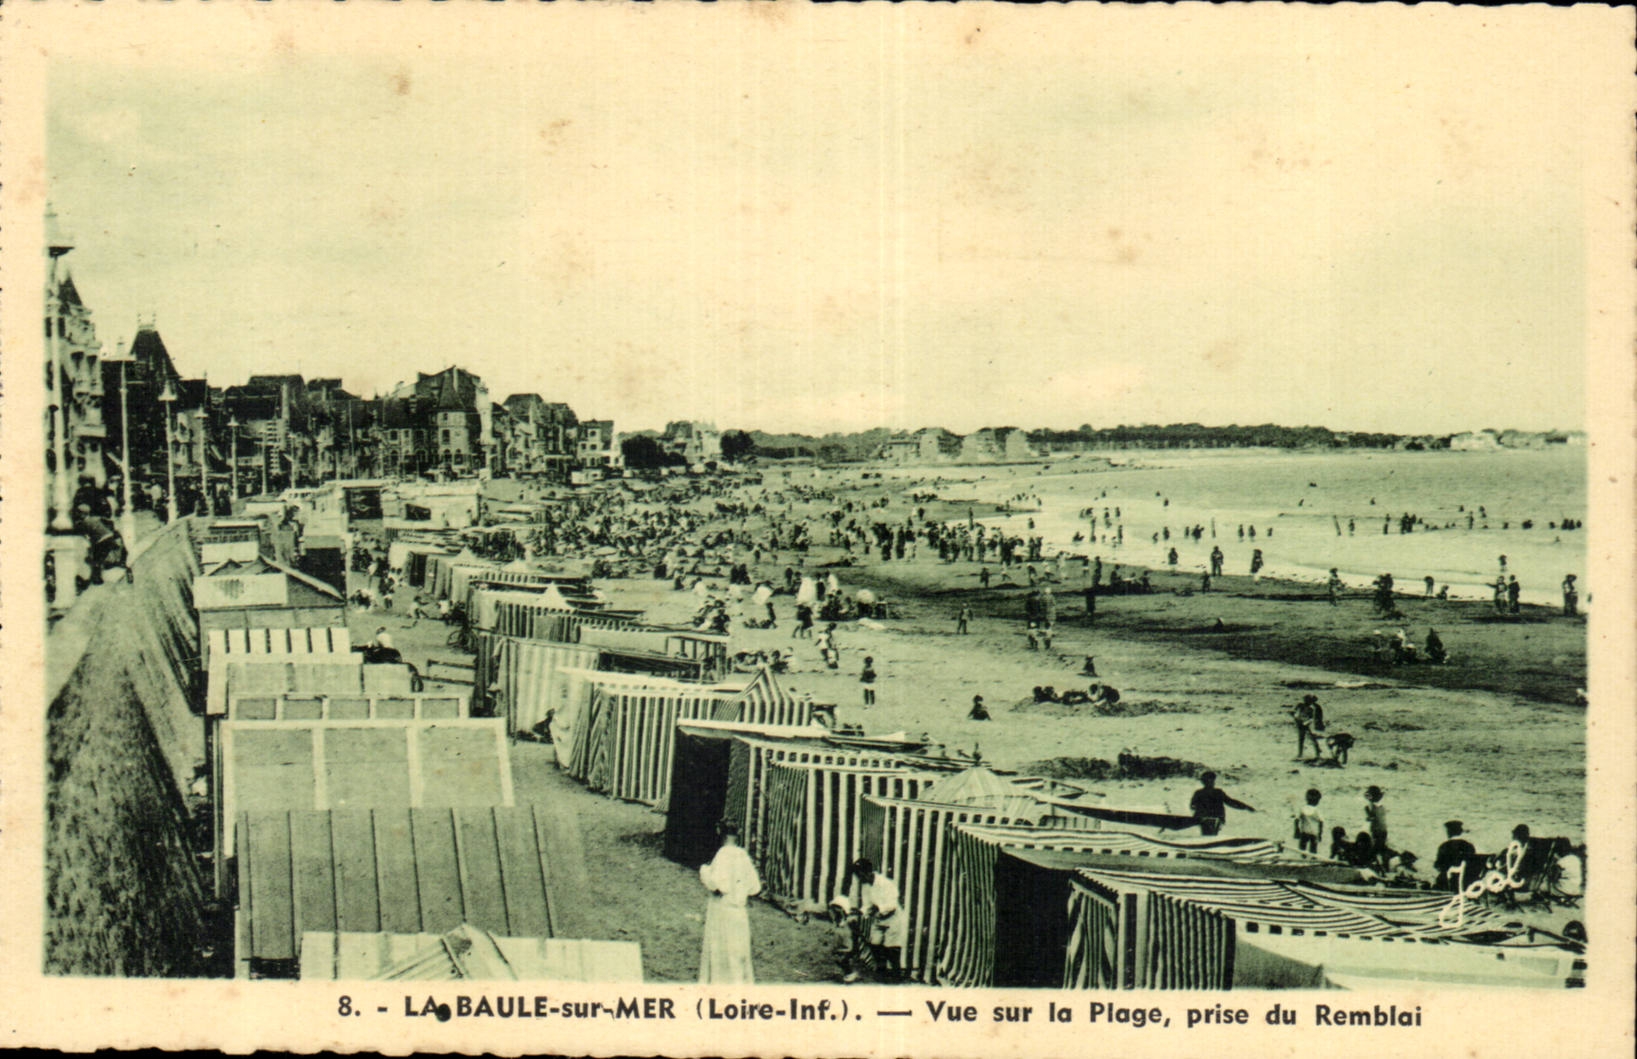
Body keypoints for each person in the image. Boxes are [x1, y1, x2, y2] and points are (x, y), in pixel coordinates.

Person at [698, 823, 762, 984]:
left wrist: (704, 871)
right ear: (738, 833)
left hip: (722, 909)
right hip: (739, 911)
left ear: (720, 832)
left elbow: (717, 885)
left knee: (721, 949)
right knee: (738, 952)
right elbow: (755, 887)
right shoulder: (743, 855)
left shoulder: (722, 854)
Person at [847, 859, 905, 982]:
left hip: (893, 918)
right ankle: (882, 971)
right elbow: (868, 904)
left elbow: (892, 904)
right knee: (875, 944)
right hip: (879, 918)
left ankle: (896, 975)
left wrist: (880, 910)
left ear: (867, 872)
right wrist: (861, 911)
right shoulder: (866, 885)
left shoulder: (885, 883)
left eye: (860, 875)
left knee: (892, 948)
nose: (859, 878)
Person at [1190, 771, 1255, 836]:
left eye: (1211, 780)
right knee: (1211, 834)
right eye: (1210, 780)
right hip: (1216, 817)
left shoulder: (1199, 793)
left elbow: (1193, 806)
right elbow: (1231, 802)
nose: (1211, 782)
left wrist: (1246, 807)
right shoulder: (1218, 792)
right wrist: (1246, 807)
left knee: (1208, 834)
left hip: (1204, 818)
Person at [1433, 820, 1476, 892]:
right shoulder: (1468, 845)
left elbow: (1438, 865)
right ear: (1460, 832)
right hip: (1466, 881)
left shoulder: (1444, 846)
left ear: (1449, 832)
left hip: (1447, 883)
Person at [1290, 694, 1325, 761]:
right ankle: (1303, 753)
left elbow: (1312, 718)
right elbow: (1294, 713)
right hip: (1301, 724)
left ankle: (1316, 753)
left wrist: (1305, 722)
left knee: (1308, 739)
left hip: (1305, 725)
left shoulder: (1310, 708)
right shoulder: (1303, 706)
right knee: (1304, 739)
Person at [1364, 786, 1390, 869]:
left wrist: (1367, 814)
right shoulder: (1382, 807)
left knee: (1375, 849)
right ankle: (1385, 866)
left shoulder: (1371, 806)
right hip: (1383, 829)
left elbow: (1371, 818)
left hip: (1376, 830)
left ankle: (1372, 864)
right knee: (1382, 848)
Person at [1293, 788, 1325, 854]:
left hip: (1304, 831)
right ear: (1317, 800)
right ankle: (1313, 859)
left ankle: (1303, 858)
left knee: (1302, 847)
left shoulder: (1303, 808)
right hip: (1314, 832)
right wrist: (1320, 833)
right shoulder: (1317, 810)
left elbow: (1296, 820)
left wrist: (1296, 829)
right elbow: (1321, 822)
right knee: (1313, 848)